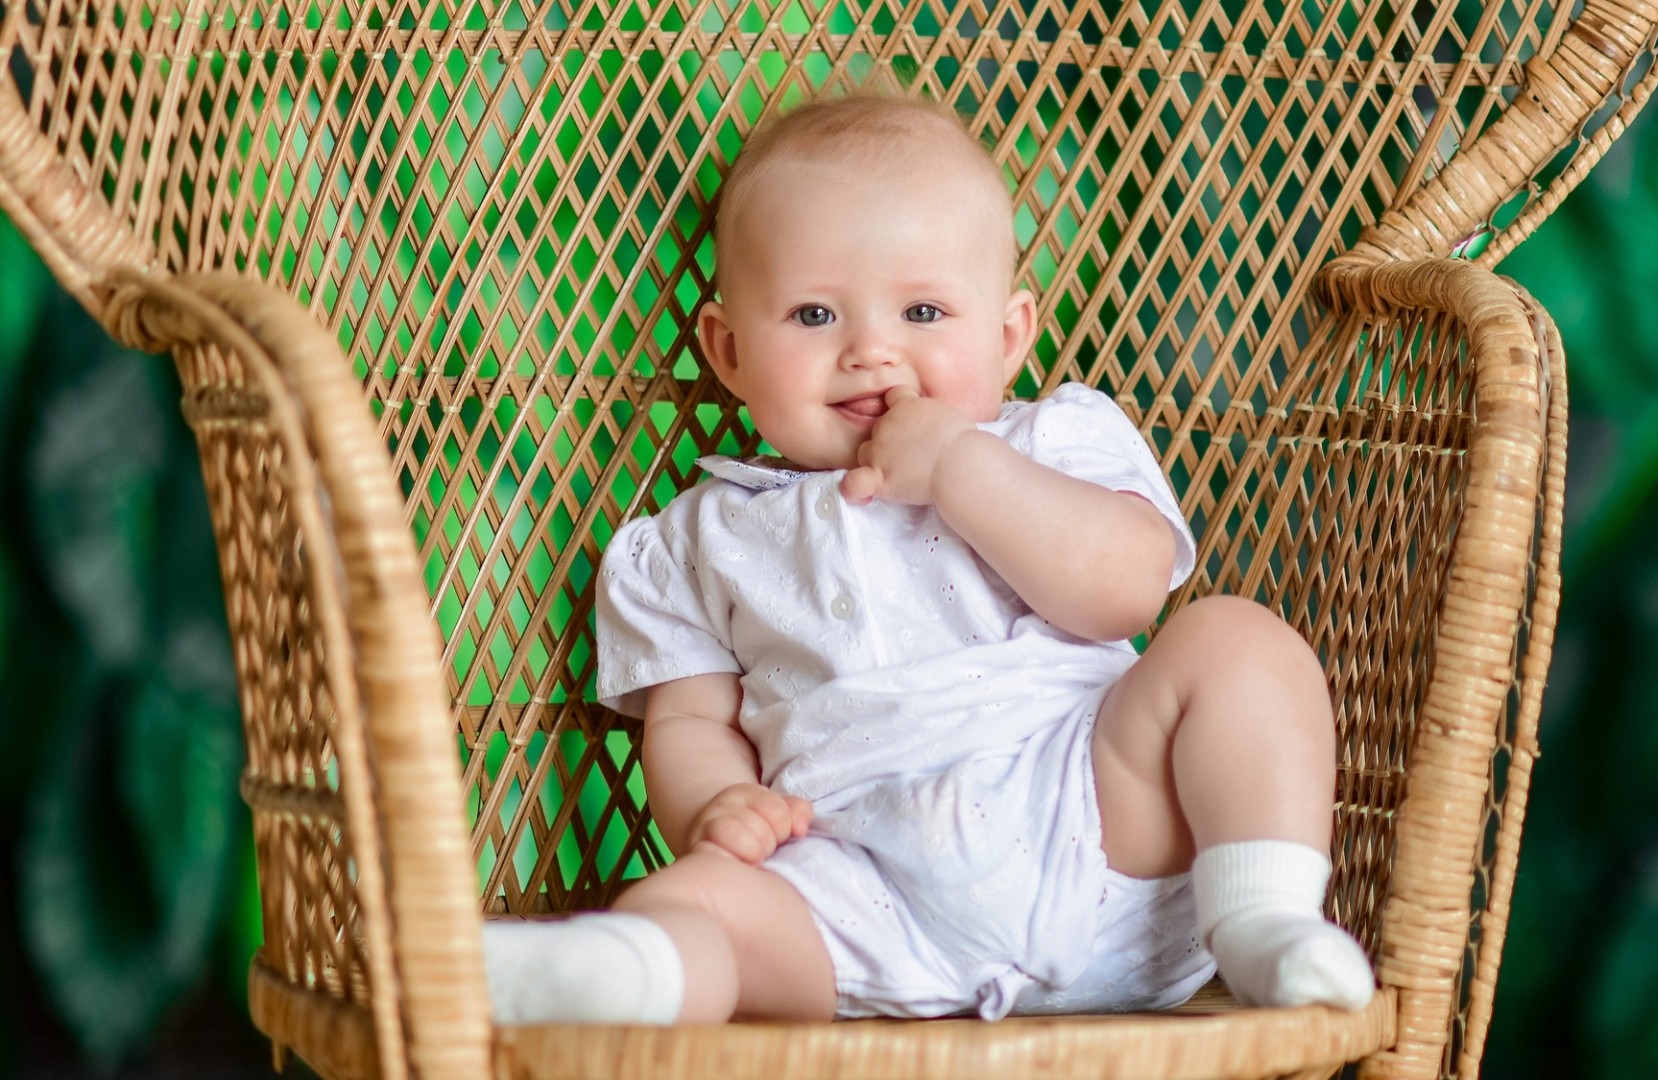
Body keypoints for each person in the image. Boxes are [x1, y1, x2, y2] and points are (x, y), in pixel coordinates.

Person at [481, 91, 1374, 1025]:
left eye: (922, 309)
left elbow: (1125, 592)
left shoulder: (1048, 440)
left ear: (1007, 335)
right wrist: (715, 806)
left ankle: (1265, 920)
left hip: (1096, 825)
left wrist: (960, 464)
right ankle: (613, 975)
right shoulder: (693, 542)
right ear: (729, 349)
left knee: (1238, 644)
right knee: (697, 902)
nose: (873, 350)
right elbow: (689, 719)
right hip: (854, 881)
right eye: (815, 314)